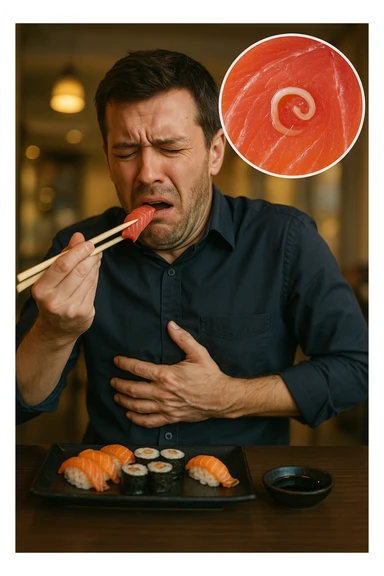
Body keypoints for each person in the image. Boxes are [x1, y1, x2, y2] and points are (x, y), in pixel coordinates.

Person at [16, 49, 368, 446]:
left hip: (245, 495)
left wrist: (228, 398)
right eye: (126, 152)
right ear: (108, 160)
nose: (147, 173)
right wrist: (54, 332)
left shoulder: (285, 239)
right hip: (111, 489)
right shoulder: (76, 250)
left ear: (214, 152)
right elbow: (17, 404)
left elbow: (358, 370)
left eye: (170, 149)